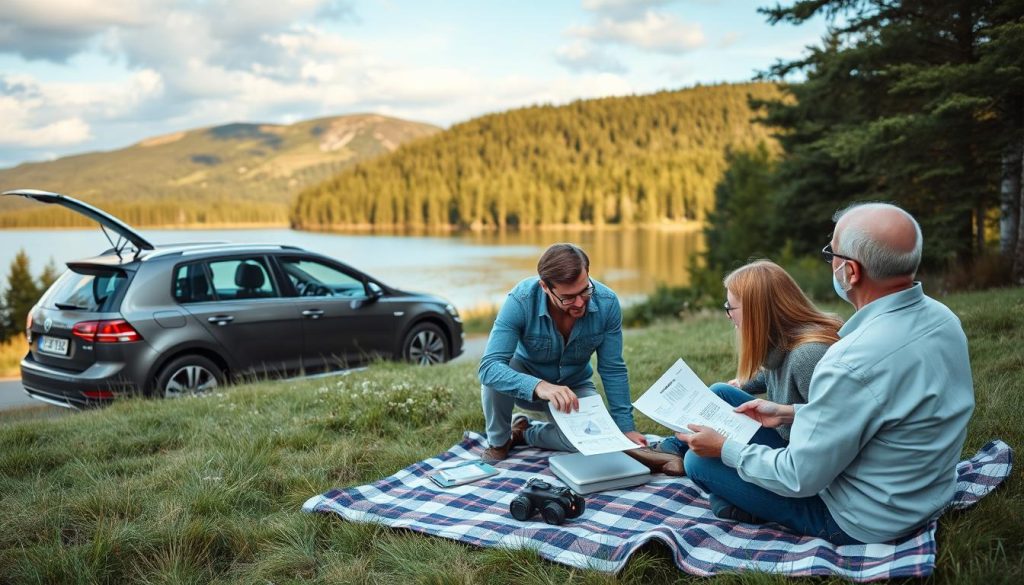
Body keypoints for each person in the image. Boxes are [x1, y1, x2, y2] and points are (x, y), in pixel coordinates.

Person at [678, 202, 975, 545]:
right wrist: (792, 412)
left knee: (699, 464)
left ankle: (734, 500)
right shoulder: (943, 319)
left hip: (864, 519)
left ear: (850, 272)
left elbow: (799, 477)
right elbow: (884, 409)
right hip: (923, 492)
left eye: (831, 252)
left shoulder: (850, 360)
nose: (829, 261)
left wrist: (725, 449)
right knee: (726, 400)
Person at [641, 260, 842, 473]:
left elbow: (832, 428)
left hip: (800, 464)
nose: (729, 316)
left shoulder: (808, 356)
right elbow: (773, 370)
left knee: (697, 463)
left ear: (757, 311)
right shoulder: (788, 340)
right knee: (721, 392)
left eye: (730, 308)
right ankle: (672, 449)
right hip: (789, 443)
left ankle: (715, 491)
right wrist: (743, 385)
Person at [478, 243, 646, 463]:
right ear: (545, 287)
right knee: (499, 371)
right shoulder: (520, 300)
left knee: (596, 442)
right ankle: (499, 441)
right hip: (525, 386)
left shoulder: (607, 303)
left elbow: (612, 368)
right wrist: (539, 386)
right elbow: (488, 368)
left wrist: (626, 428)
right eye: (568, 297)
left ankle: (524, 432)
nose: (579, 303)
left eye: (585, 290)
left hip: (573, 389)